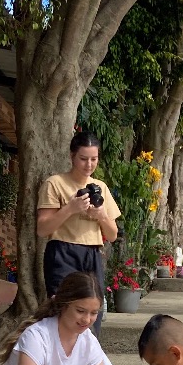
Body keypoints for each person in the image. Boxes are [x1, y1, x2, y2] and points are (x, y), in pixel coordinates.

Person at [37, 130, 121, 334]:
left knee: (93, 309)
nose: (89, 164)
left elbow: (112, 235)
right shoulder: (55, 183)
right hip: (62, 251)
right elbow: (42, 229)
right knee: (64, 309)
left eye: (94, 159)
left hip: (92, 254)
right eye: (83, 158)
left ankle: (88, 352)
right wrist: (70, 209)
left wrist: (101, 215)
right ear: (72, 156)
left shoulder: (100, 187)